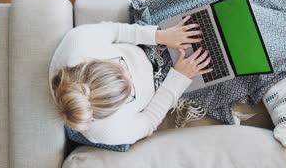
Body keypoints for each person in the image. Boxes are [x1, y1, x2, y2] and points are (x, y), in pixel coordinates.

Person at [48, 16, 212, 145]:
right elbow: (148, 121)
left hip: (147, 43)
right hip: (163, 87)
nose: (130, 75)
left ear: (93, 62)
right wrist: (179, 77)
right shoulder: (107, 131)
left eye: (119, 67)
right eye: (128, 91)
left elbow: (115, 31)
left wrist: (160, 35)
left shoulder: (79, 43)